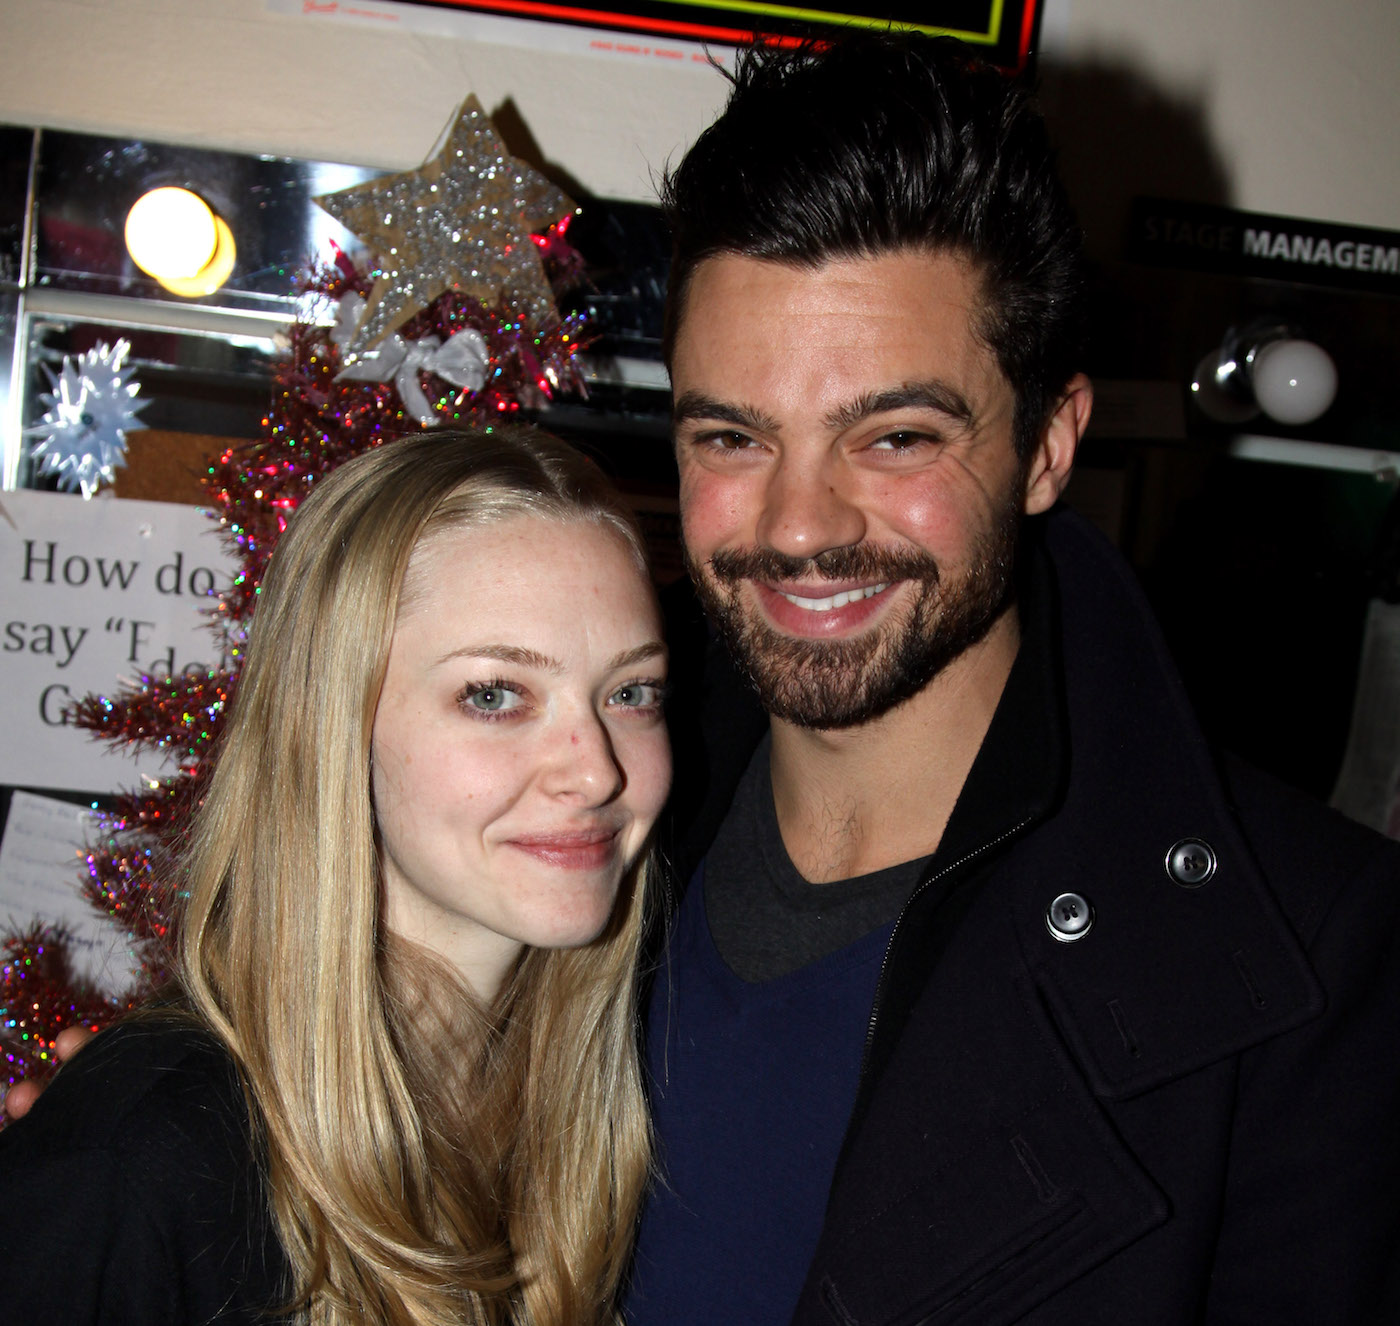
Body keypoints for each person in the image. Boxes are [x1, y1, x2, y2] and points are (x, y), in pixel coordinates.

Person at [625, 32, 1400, 1326]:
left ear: (1048, 446)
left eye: (895, 435)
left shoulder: (1312, 967)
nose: (801, 521)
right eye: (732, 435)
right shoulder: (577, 834)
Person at [0, 427, 671, 1325]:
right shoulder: (148, 1157)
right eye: (494, 694)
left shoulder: (604, 1102)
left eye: (631, 693)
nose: (594, 772)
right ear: (333, 726)